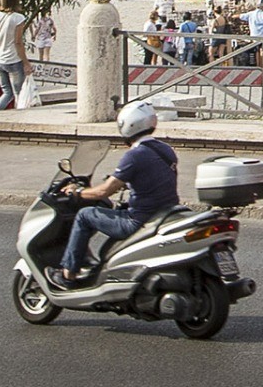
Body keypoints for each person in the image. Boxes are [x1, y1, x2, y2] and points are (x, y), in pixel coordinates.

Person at [53, 100, 180, 285]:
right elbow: (153, 178)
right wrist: (128, 184)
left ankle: (69, 274)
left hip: (138, 220)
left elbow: (103, 192)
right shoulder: (164, 149)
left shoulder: (134, 155)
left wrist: (77, 192)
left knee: (83, 215)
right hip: (163, 213)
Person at [0, 0, 32, 110]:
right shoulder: (18, 18)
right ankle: (19, 119)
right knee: (18, 93)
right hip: (13, 59)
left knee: (7, 92)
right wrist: (26, 63)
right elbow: (18, 42)